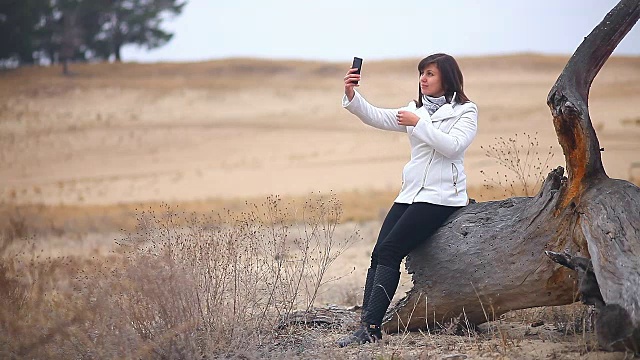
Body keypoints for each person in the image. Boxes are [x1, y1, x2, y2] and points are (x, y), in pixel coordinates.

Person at [337, 53, 478, 347]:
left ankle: (373, 328)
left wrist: (419, 124)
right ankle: (364, 325)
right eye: (421, 73)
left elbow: (452, 148)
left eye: (429, 74)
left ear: (447, 78)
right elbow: (376, 115)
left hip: (442, 197)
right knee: (378, 253)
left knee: (391, 251)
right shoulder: (416, 110)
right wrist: (352, 95)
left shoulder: (465, 111)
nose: (422, 79)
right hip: (411, 193)